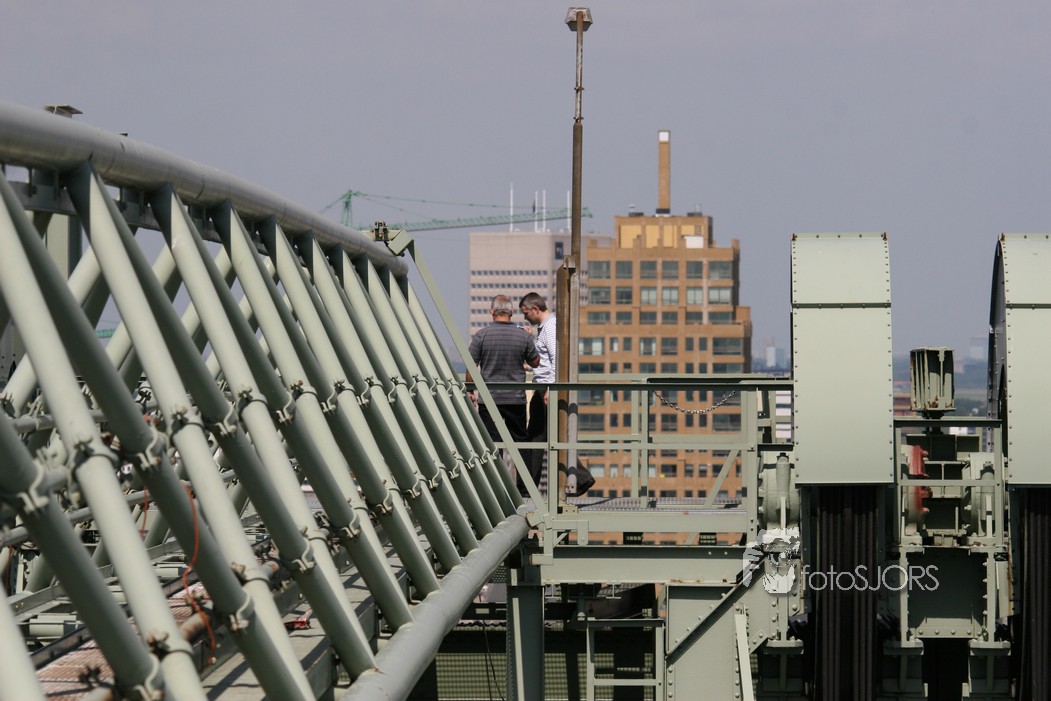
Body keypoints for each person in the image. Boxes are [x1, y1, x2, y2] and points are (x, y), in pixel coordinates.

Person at [467, 295, 539, 495]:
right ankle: (525, 489)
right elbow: (535, 362)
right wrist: (530, 338)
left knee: (491, 443)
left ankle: (494, 487)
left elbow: (471, 366)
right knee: (520, 443)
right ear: (512, 313)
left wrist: (470, 389)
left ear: (492, 311)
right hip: (516, 399)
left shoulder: (481, 336)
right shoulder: (522, 337)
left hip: (489, 399)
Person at [519, 292, 555, 494]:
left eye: (526, 313)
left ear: (535, 309)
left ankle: (527, 487)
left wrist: (551, 388)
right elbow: (545, 361)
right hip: (543, 386)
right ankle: (528, 486)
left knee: (536, 437)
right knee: (540, 435)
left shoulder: (550, 326)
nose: (525, 317)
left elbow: (557, 359)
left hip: (545, 388)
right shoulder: (544, 328)